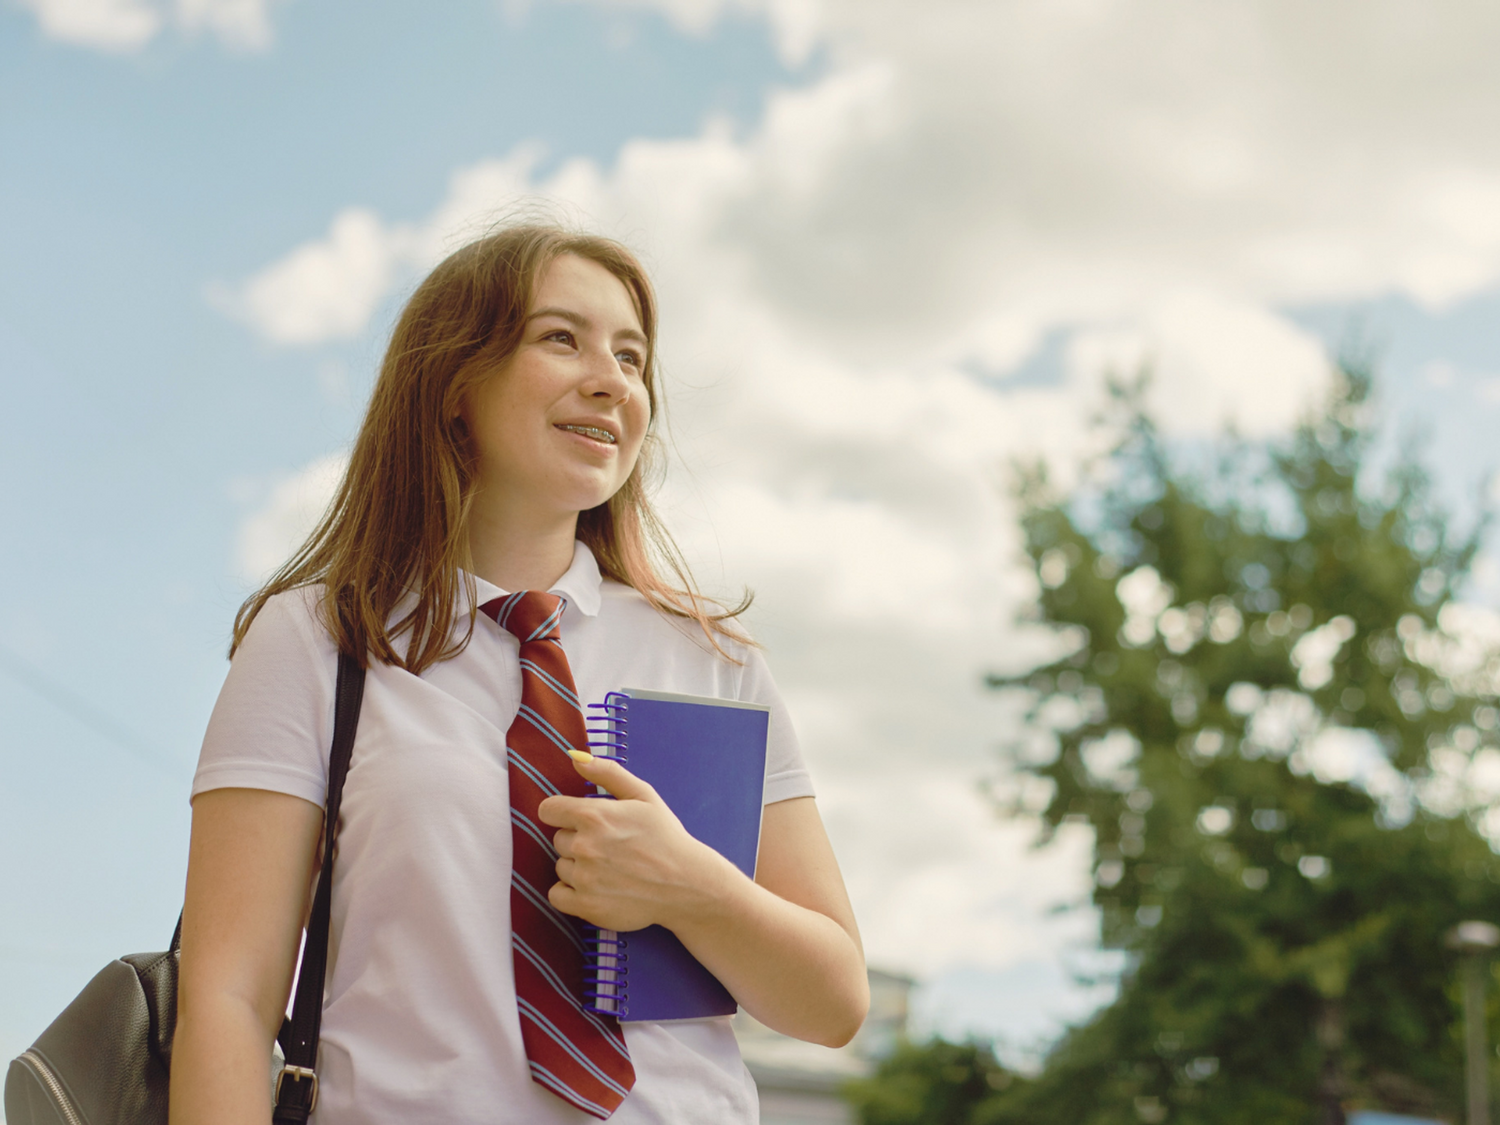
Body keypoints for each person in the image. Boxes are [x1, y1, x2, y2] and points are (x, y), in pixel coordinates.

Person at [170, 223, 868, 1124]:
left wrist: (691, 888)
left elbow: (834, 1001)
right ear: (455, 383)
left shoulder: (712, 658)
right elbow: (226, 998)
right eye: (560, 338)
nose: (612, 379)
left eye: (631, 355)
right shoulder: (317, 640)